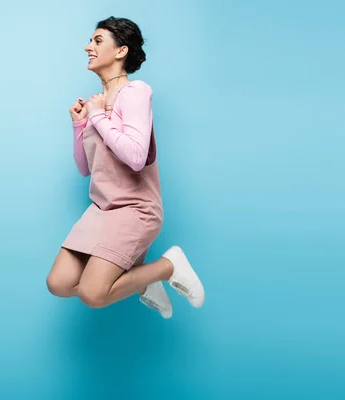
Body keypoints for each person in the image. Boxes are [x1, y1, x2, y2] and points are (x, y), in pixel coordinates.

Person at [46, 16, 205, 318]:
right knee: (59, 283)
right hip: (102, 208)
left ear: (121, 51)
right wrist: (79, 123)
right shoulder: (95, 103)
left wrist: (96, 117)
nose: (87, 47)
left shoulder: (135, 93)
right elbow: (85, 168)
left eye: (97, 40)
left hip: (135, 208)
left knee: (93, 294)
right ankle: (142, 282)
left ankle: (168, 266)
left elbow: (134, 156)